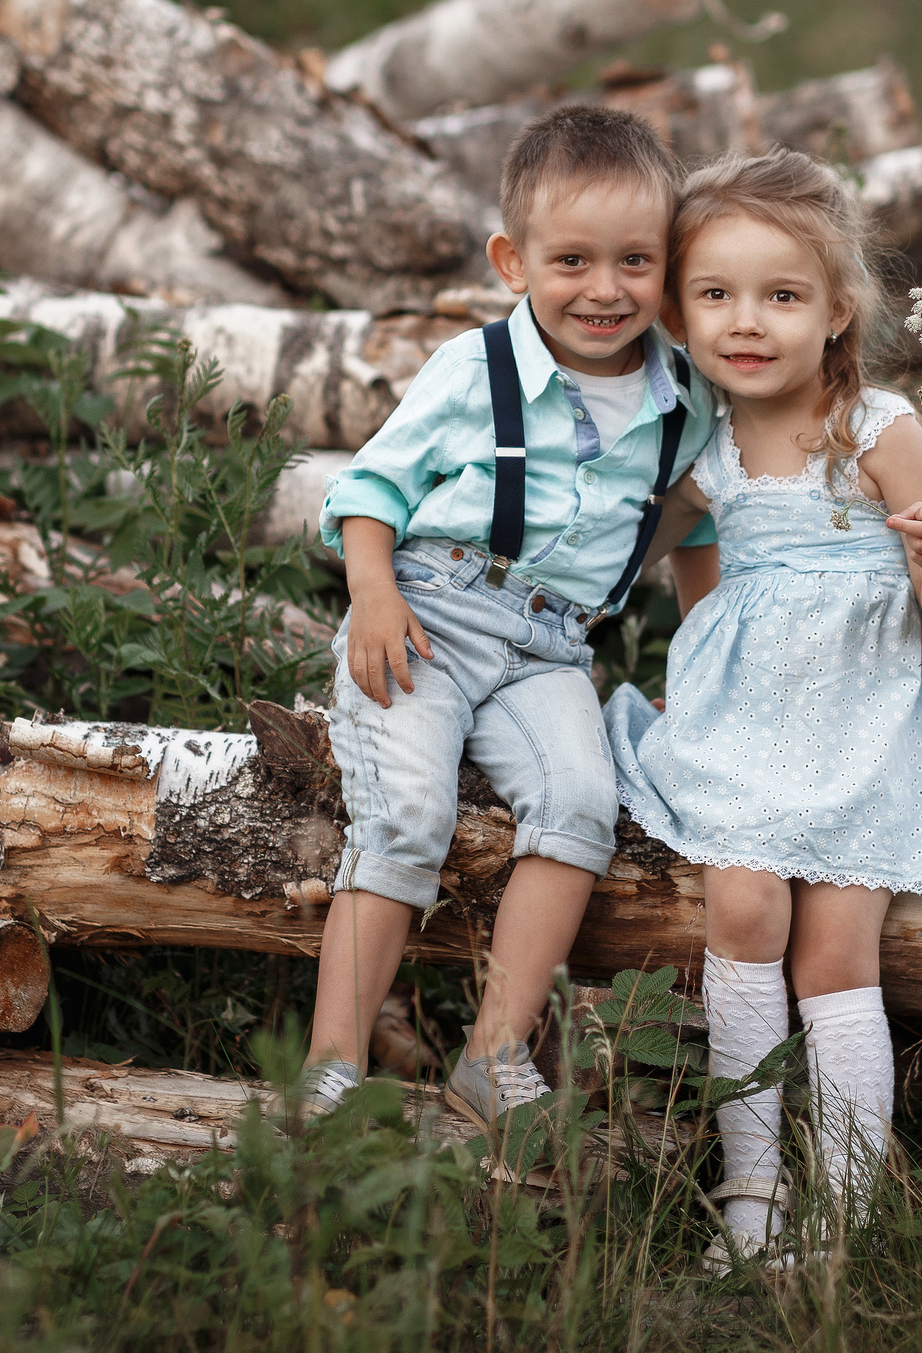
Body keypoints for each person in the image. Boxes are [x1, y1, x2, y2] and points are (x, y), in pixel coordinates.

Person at [603, 149, 922, 1266]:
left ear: (836, 313)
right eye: (716, 294)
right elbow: (682, 560)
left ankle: (846, 1204)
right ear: (678, 314)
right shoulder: (706, 442)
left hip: (870, 727)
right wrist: (698, 660)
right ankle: (752, 1185)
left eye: (781, 295)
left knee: (834, 951)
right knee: (742, 911)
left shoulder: (881, 429)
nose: (747, 321)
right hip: (749, 728)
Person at [301, 106, 723, 1142]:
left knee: (580, 805)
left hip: (552, 647)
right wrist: (374, 594)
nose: (604, 289)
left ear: (668, 268)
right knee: (408, 813)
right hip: (428, 613)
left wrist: (702, 663)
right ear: (513, 261)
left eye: (635, 262)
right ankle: (330, 1065)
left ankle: (493, 1054)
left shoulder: (684, 402)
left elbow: (695, 526)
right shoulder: (475, 370)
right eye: (571, 260)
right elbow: (370, 490)